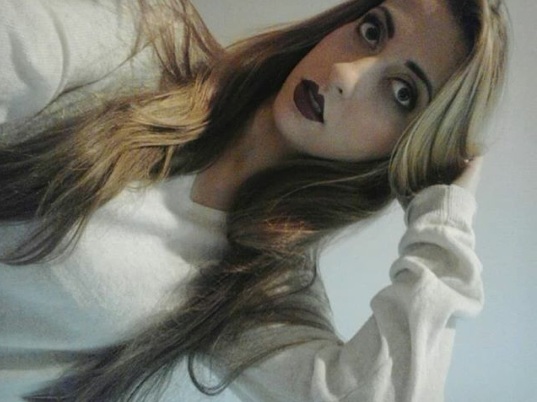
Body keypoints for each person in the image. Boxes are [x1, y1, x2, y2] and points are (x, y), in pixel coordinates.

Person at [0, 0, 508, 400]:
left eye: (401, 93)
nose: (345, 76)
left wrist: (445, 219)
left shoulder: (257, 290)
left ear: (408, 149)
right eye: (372, 30)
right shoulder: (150, 41)